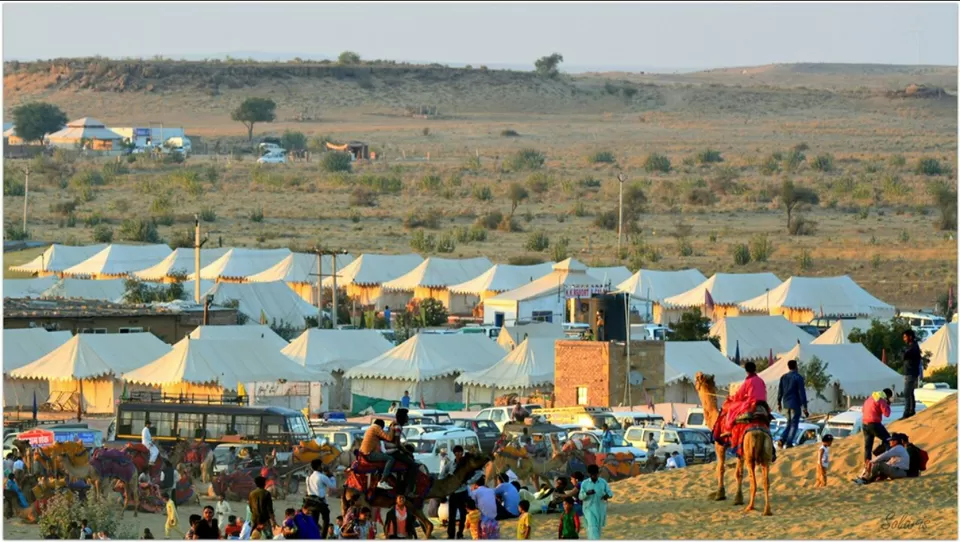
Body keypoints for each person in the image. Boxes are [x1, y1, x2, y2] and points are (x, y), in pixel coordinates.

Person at [777, 359, 810, 449]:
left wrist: (779, 402)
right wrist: (805, 407)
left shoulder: (783, 377)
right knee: (794, 424)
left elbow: (780, 391)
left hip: (786, 404)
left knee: (788, 423)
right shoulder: (798, 377)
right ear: (795, 366)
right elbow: (802, 393)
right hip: (795, 404)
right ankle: (789, 443)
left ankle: (782, 439)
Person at [360, 419, 398, 491]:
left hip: (365, 453)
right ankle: (382, 481)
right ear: (381, 426)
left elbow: (384, 439)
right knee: (391, 459)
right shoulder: (376, 427)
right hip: (369, 454)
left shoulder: (371, 429)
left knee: (385, 457)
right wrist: (392, 429)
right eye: (382, 429)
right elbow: (389, 438)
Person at [578, 465, 612, 540]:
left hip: (600, 509)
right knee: (592, 527)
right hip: (589, 509)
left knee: (597, 529)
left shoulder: (603, 482)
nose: (594, 476)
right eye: (592, 475)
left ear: (598, 474)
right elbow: (580, 496)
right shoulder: (585, 483)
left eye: (595, 474)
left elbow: (610, 493)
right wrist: (587, 493)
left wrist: (607, 496)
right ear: (589, 474)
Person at [305, 459, 336, 538]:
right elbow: (333, 486)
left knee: (314, 521)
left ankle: (313, 536)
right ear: (319, 467)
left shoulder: (308, 477)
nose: (323, 467)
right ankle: (323, 537)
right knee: (326, 519)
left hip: (310, 502)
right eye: (321, 465)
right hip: (319, 502)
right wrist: (331, 475)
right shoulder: (321, 476)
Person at [862, 389, 893, 467]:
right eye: (889, 397)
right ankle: (887, 461)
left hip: (865, 424)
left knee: (868, 447)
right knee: (888, 440)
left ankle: (867, 465)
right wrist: (888, 404)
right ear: (887, 396)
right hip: (874, 424)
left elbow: (863, 410)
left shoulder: (870, 398)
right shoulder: (881, 400)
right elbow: (887, 414)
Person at [901, 329, 923, 419]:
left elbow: (904, 356)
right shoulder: (912, 346)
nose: (904, 339)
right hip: (909, 373)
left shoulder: (913, 347)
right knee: (910, 393)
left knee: (906, 393)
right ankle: (911, 410)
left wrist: (903, 353)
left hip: (911, 373)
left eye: (905, 337)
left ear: (910, 337)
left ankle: (907, 412)